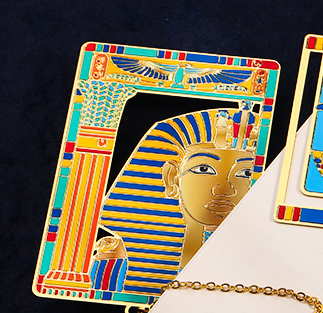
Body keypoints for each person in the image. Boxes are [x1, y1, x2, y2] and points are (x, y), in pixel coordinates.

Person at [89, 107, 259, 301]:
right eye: (204, 169)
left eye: (245, 173)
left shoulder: (258, 270)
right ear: (172, 178)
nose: (225, 190)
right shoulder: (108, 272)